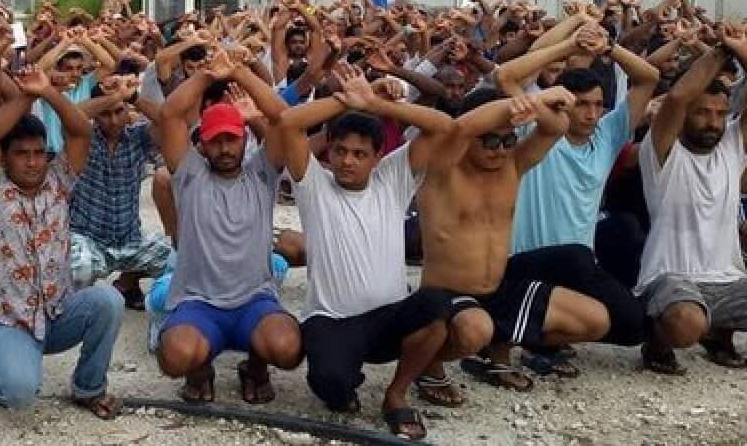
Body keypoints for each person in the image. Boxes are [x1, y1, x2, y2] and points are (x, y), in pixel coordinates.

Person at [276, 63, 479, 440]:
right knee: (331, 386)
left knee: (436, 305)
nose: (348, 161)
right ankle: (345, 383)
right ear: (329, 152)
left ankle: (397, 392)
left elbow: (447, 126)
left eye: (359, 153)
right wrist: (345, 100)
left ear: (377, 155)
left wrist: (378, 104)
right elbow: (288, 123)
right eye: (340, 151)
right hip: (331, 318)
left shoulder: (393, 178)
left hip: (389, 317)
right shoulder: (314, 185)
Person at [487, 19, 659, 379]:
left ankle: (538, 338)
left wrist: (608, 48)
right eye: (582, 105)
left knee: (630, 324)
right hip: (524, 262)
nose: (592, 113)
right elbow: (506, 76)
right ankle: (531, 341)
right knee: (576, 256)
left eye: (598, 105)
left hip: (576, 267)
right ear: (563, 104)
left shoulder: (608, 136)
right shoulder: (540, 129)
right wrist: (571, 44)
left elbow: (648, 78)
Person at [417, 87, 611, 392]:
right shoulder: (442, 171)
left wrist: (534, 104)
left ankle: (494, 349)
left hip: (498, 290)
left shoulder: (512, 166)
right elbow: (460, 127)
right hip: (444, 295)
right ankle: (427, 362)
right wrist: (515, 102)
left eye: (508, 140)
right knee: (472, 331)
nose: (500, 149)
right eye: (491, 140)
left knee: (596, 320)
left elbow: (556, 126)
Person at [0, 64, 124, 419]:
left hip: (57, 313)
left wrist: (49, 92)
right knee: (20, 395)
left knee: (109, 302)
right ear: (6, 158)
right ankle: (7, 374)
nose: (32, 161)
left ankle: (89, 387)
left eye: (39, 152)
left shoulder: (60, 181)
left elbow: (79, 131)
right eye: (22, 154)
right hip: (10, 320)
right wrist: (27, 96)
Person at [155, 50, 302, 405]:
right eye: (215, 140)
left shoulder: (261, 175)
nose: (224, 148)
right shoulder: (189, 176)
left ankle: (255, 368)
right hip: (198, 303)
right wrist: (208, 74)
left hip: (254, 301)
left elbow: (285, 117)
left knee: (288, 348)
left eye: (231, 139)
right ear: (202, 145)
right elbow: (168, 114)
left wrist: (238, 71)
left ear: (244, 139)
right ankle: (200, 368)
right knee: (175, 356)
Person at [636, 24, 747, 376]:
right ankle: (658, 344)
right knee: (686, 323)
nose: (713, 122)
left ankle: (719, 332)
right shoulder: (663, 149)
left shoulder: (733, 147)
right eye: (702, 112)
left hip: (728, 279)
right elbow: (676, 98)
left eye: (721, 114)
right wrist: (722, 50)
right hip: (671, 278)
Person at [69, 75, 171, 307]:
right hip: (88, 238)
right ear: (96, 115)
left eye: (119, 111)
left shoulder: (138, 137)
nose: (114, 120)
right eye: (106, 113)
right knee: (78, 271)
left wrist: (132, 96)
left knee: (178, 263)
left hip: (130, 239)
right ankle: (85, 314)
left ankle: (128, 284)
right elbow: (71, 113)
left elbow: (168, 120)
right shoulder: (83, 139)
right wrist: (114, 96)